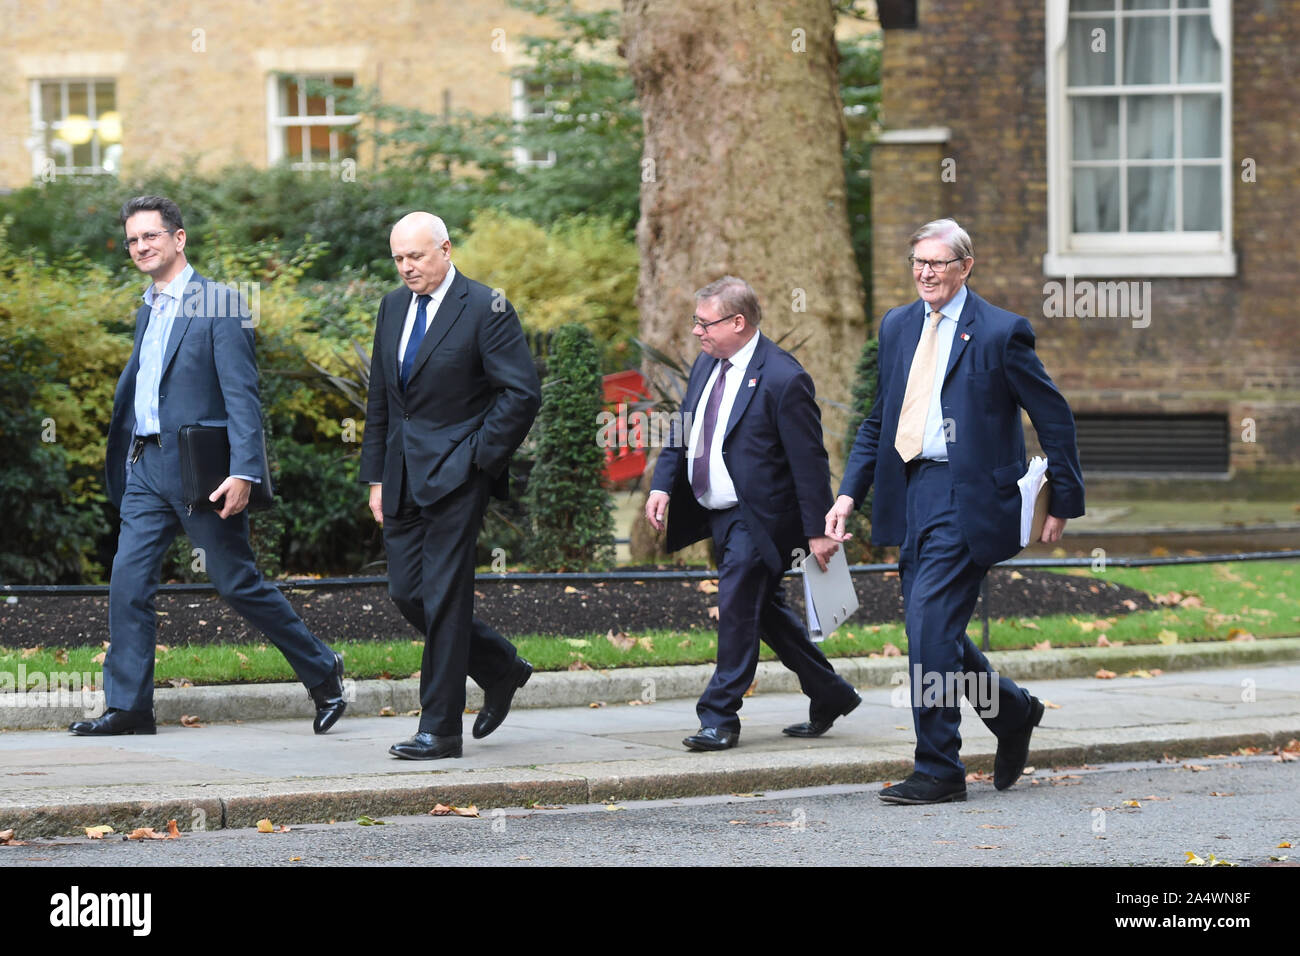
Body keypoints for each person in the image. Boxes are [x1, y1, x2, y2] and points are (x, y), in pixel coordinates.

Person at [826, 218, 1085, 804]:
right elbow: (879, 420)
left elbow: (1053, 415)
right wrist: (847, 494)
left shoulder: (1000, 332)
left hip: (970, 498)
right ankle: (1014, 711)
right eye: (918, 262)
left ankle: (939, 768)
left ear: (965, 267)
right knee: (933, 628)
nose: (925, 273)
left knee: (927, 629)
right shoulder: (896, 326)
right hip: (911, 491)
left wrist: (1062, 498)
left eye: (938, 263)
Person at [72, 195, 347, 737]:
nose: (139, 246)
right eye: (131, 239)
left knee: (236, 582)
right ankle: (128, 707)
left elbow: (242, 396)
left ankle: (323, 671)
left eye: (149, 235)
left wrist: (245, 471)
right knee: (127, 584)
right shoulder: (146, 307)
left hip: (203, 474)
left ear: (178, 239)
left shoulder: (220, 303)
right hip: (146, 467)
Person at [646, 276, 862, 752]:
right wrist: (662, 483)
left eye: (705, 323)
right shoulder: (709, 364)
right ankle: (830, 692)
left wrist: (818, 531)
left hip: (763, 518)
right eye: (696, 322)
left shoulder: (784, 378)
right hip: (717, 513)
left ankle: (720, 716)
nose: (697, 332)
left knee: (738, 607)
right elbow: (684, 427)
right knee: (764, 613)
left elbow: (810, 462)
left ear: (738, 322)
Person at [361, 212, 541, 760]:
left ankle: (439, 729)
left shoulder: (486, 307)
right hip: (401, 477)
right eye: (398, 258)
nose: (406, 267)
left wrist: (478, 460)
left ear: (445, 249)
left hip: (459, 477)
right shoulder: (393, 306)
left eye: (415, 256)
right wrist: (375, 476)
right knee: (407, 593)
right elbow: (382, 401)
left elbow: (520, 395)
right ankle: (499, 666)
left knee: (443, 596)